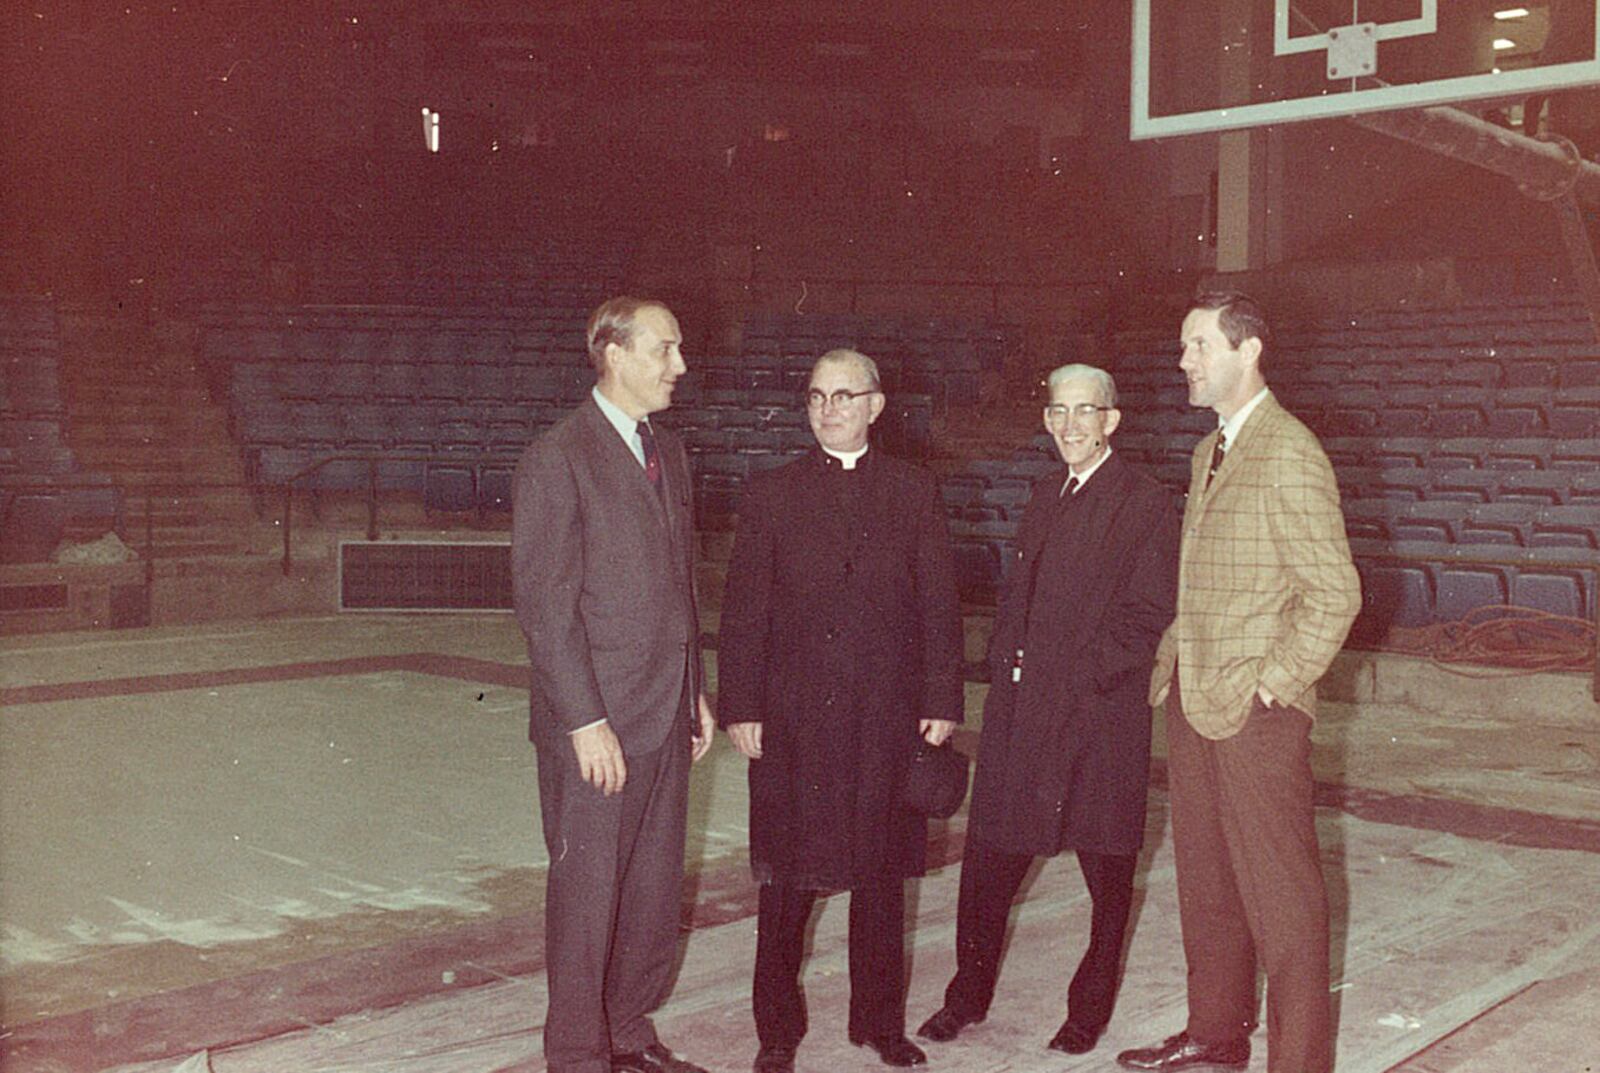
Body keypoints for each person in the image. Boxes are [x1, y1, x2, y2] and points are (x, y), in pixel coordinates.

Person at [1116, 293, 1360, 1073]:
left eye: (1197, 345)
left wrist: (1276, 681)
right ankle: (1216, 1034)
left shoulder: (1290, 452)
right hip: (1195, 696)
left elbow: (1335, 592)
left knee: (1282, 901)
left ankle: (1299, 1061)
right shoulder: (1208, 450)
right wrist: (1176, 657)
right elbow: (1203, 579)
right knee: (1208, 882)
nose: (1183, 360)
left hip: (1256, 711)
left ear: (1247, 350)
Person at [716, 349, 966, 1073]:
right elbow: (742, 613)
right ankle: (776, 1031)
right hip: (793, 720)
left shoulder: (914, 490)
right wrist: (742, 706)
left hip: (884, 718)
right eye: (818, 396)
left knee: (880, 878)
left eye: (845, 395)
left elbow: (939, 606)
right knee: (786, 883)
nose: (830, 408)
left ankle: (878, 1023)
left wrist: (941, 699)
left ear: (876, 406)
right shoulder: (771, 491)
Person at [917, 364, 1178, 1056]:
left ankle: (1087, 1011)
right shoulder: (1043, 491)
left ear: (1111, 420)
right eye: (1057, 411)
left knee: (1107, 876)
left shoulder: (1146, 501)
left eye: (1083, 412)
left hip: (1099, 718)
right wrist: (1007, 666)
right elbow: (1017, 603)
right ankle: (965, 996)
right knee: (987, 865)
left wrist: (1075, 673)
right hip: (1023, 716)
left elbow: (1149, 613)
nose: (1068, 426)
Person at [512, 297, 716, 1073]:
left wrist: (693, 685)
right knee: (588, 899)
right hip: (596, 722)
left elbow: (678, 583)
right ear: (614, 353)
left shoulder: (669, 449)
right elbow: (545, 605)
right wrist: (584, 719)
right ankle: (576, 1054)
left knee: (653, 891)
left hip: (664, 707)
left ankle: (627, 1030)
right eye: (665, 349)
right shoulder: (557, 457)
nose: (680, 366)